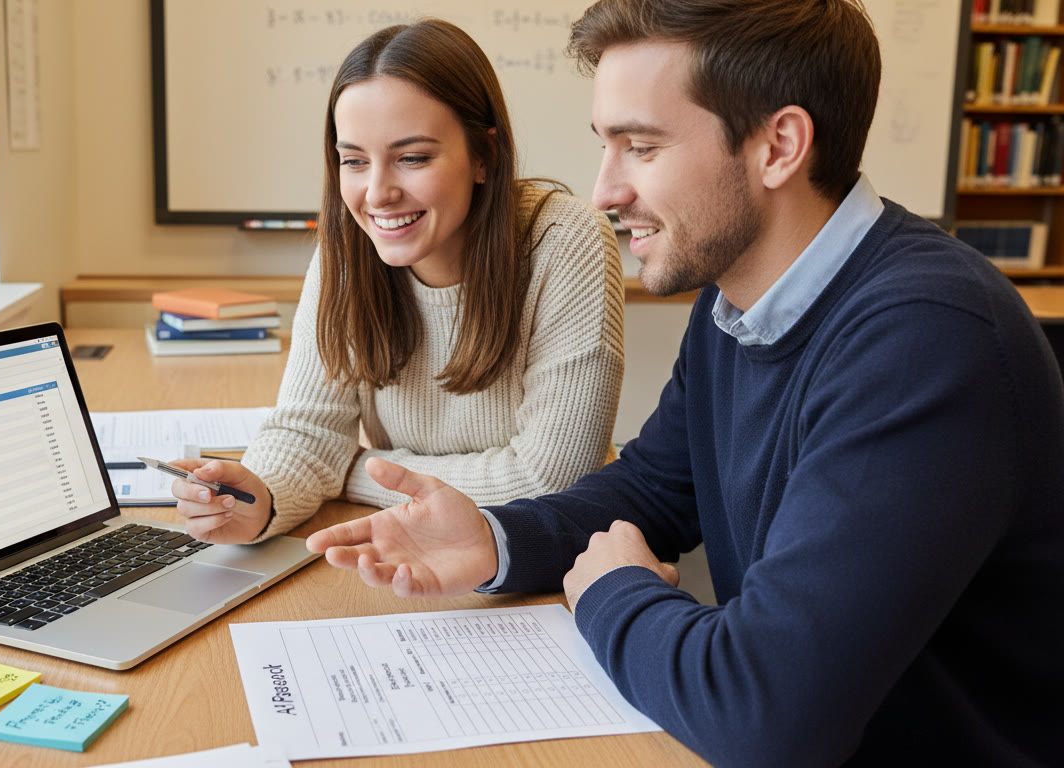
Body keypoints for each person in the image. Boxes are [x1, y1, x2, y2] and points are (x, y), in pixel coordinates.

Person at [306, 1, 1064, 766]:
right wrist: (497, 540)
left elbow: (767, 712)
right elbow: (657, 490)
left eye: (641, 146)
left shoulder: (926, 336)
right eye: (606, 146)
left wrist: (613, 594)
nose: (604, 191)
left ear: (779, 146)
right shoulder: (737, 299)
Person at [169, 19, 625, 546]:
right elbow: (307, 430)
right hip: (409, 547)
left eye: (412, 158)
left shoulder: (566, 240)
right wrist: (257, 499)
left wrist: (352, 470)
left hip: (532, 562)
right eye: (355, 161)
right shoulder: (346, 252)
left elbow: (548, 480)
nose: (377, 194)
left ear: (484, 155)